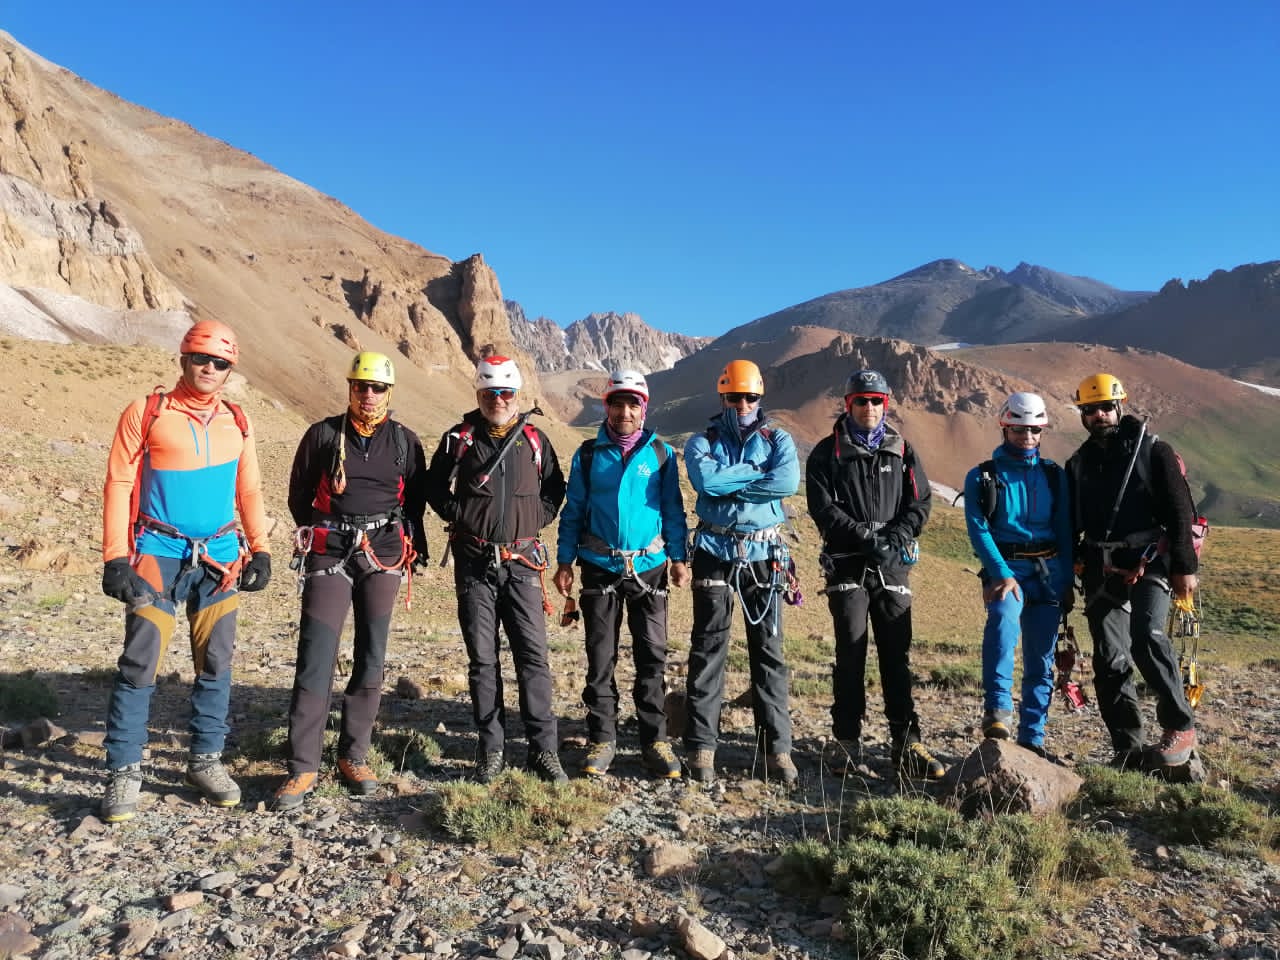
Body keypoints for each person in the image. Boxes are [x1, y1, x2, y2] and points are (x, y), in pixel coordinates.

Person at [99, 320, 272, 823]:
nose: (210, 368)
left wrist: (260, 548)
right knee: (140, 661)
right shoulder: (147, 411)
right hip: (158, 551)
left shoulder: (237, 420)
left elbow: (249, 489)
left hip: (220, 557)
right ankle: (124, 770)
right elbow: (118, 482)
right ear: (183, 358)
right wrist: (114, 558)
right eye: (201, 358)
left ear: (230, 370)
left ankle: (205, 761)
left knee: (216, 662)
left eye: (221, 363)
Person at [272, 352, 430, 811]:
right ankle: (303, 765)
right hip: (330, 553)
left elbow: (414, 502)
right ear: (350, 388)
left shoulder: (404, 441)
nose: (368, 395)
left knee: (371, 656)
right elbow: (299, 495)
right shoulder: (323, 435)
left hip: (383, 554)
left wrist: (410, 545)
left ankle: (353, 755)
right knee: (316, 655)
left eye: (377, 387)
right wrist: (325, 530)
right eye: (361, 386)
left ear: (389, 392)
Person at [424, 355, 569, 784]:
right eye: (489, 393)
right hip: (474, 564)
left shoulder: (535, 440)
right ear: (478, 394)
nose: (498, 400)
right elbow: (434, 485)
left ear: (516, 394)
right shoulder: (458, 439)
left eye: (505, 393)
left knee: (533, 657)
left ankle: (544, 751)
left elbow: (555, 487)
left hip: (522, 565)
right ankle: (491, 751)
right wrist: (460, 515)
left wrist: (537, 518)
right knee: (483, 660)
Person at [806, 369, 943, 780]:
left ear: (886, 404)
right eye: (861, 401)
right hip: (847, 564)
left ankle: (907, 743)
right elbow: (823, 508)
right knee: (850, 652)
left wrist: (896, 537)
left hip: (892, 565)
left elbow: (920, 503)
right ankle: (847, 742)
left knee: (896, 654)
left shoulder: (902, 450)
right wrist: (866, 538)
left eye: (876, 401)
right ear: (848, 404)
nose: (869, 407)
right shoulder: (825, 453)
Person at [553, 370, 689, 779]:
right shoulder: (588, 455)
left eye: (633, 404)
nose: (625, 412)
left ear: (643, 408)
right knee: (600, 657)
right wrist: (564, 561)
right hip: (600, 567)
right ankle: (602, 739)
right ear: (607, 407)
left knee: (652, 656)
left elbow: (673, 509)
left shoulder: (660, 454)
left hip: (650, 568)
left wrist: (679, 557)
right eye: (618, 403)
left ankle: (654, 741)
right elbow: (573, 510)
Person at [1066, 373, 1199, 768]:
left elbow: (1181, 511)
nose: (1099, 415)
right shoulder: (1078, 464)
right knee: (1109, 658)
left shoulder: (1153, 451)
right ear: (1082, 415)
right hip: (1100, 566)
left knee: (1147, 637)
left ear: (1119, 406)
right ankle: (1127, 748)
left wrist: (1184, 566)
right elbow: (1071, 523)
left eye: (1106, 407)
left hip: (1150, 561)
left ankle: (1180, 725)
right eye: (1091, 410)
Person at [682, 359, 801, 785]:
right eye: (735, 397)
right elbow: (706, 483)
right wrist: (756, 473)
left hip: (765, 553)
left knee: (769, 650)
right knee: (708, 647)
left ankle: (777, 749)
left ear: (759, 397)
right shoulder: (701, 441)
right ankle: (701, 746)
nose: (743, 405)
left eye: (750, 397)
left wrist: (729, 481)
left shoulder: (779, 439)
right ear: (723, 397)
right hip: (714, 550)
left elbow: (786, 483)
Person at [962, 392, 1073, 757]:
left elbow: (1064, 529)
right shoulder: (983, 476)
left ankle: (1033, 738)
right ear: (1005, 428)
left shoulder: (1054, 476)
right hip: (1007, 571)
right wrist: (1000, 573)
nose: (1027, 437)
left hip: (1048, 574)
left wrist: (1065, 580)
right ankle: (998, 712)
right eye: (1019, 430)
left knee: (1041, 658)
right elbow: (978, 529)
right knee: (1002, 625)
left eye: (1034, 430)